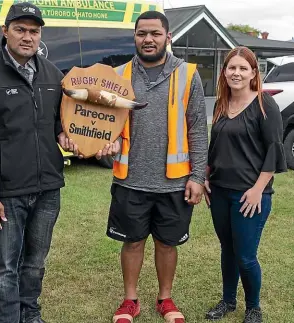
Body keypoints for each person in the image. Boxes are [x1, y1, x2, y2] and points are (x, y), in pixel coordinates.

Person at [0, 3, 76, 323]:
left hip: (48, 187)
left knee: (35, 262)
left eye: (34, 31)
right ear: (5, 31)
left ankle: (30, 312)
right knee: (5, 267)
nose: (28, 37)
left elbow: (58, 124)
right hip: (6, 193)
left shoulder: (53, 74)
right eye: (20, 29)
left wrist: (67, 136)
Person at [97, 11, 208, 323]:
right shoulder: (117, 76)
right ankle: (130, 301)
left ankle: (165, 298)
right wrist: (106, 142)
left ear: (167, 37)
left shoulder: (188, 74)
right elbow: (108, 125)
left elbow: (198, 128)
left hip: (174, 180)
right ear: (134, 37)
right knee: (132, 242)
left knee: (167, 243)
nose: (148, 39)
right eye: (141, 33)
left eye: (155, 34)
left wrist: (197, 176)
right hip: (130, 179)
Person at [204, 47, 286, 323]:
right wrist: (204, 176)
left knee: (246, 255)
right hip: (219, 192)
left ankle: (253, 308)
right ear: (224, 71)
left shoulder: (264, 103)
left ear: (253, 73)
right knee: (227, 250)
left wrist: (257, 189)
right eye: (231, 67)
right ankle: (228, 301)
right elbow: (214, 147)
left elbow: (274, 150)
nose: (236, 73)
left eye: (243, 68)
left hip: (250, 194)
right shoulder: (220, 104)